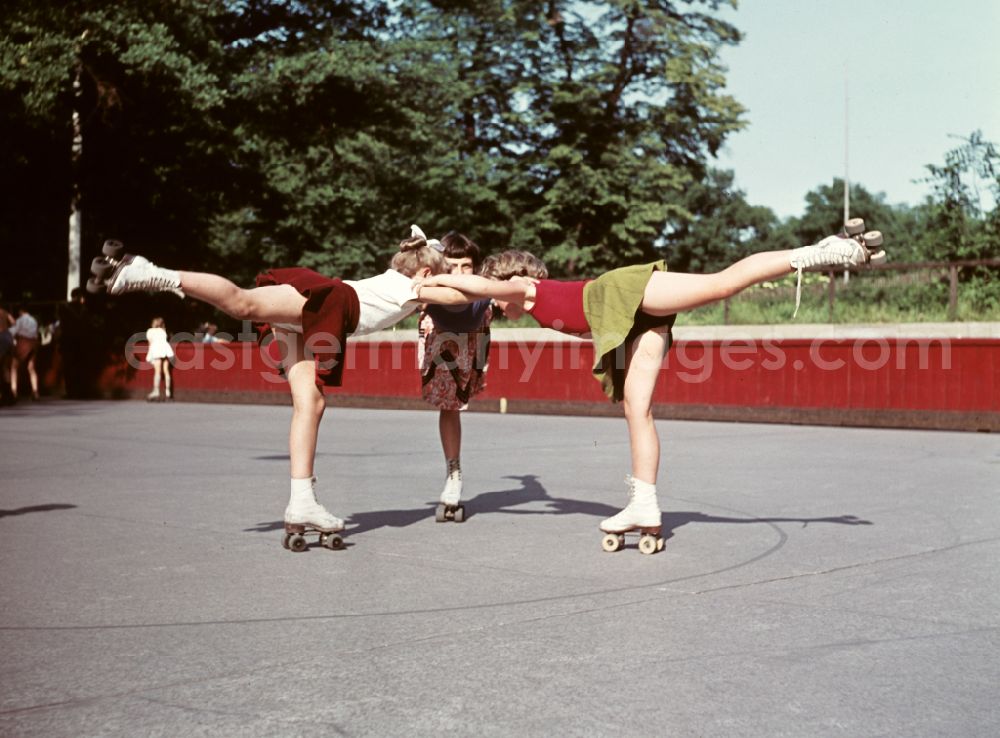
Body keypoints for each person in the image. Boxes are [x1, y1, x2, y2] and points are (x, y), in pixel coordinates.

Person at [416, 228, 887, 552]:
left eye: (491, 293)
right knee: (636, 409)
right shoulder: (522, 297)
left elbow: (471, 289)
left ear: (502, 282)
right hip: (629, 320)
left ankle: (821, 252)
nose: (495, 306)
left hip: (622, 295)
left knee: (720, 285)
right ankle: (645, 501)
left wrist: (421, 282)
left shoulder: (522, 288)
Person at [88, 228, 472, 544]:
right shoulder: (413, 287)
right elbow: (458, 295)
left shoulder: (400, 280)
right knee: (244, 304)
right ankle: (148, 272)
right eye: (441, 272)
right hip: (328, 303)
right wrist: (494, 285)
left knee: (311, 402)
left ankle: (301, 501)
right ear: (425, 274)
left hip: (320, 318)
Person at [416, 228, 493, 518]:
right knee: (449, 406)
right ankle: (454, 472)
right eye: (452, 266)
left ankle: (454, 471)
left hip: (473, 344)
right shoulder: (432, 290)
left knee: (456, 404)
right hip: (442, 343)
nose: (459, 273)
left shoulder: (483, 292)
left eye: (466, 266)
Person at [9, 306, 41, 401]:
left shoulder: (20, 320)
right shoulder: (34, 320)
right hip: (33, 343)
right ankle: (35, 391)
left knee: (14, 367)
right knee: (31, 367)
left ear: (20, 311)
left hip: (23, 342)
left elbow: (14, 331)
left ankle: (13, 391)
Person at [145, 317, 175, 401]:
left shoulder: (150, 331)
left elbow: (150, 344)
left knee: (157, 371)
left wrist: (149, 355)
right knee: (166, 371)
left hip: (156, 350)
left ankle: (156, 391)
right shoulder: (163, 331)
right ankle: (168, 393)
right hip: (165, 349)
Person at [0, 304, 14, 404]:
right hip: (7, 337)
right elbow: (13, 322)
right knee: (5, 367)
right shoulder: (4, 311)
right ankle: (9, 395)